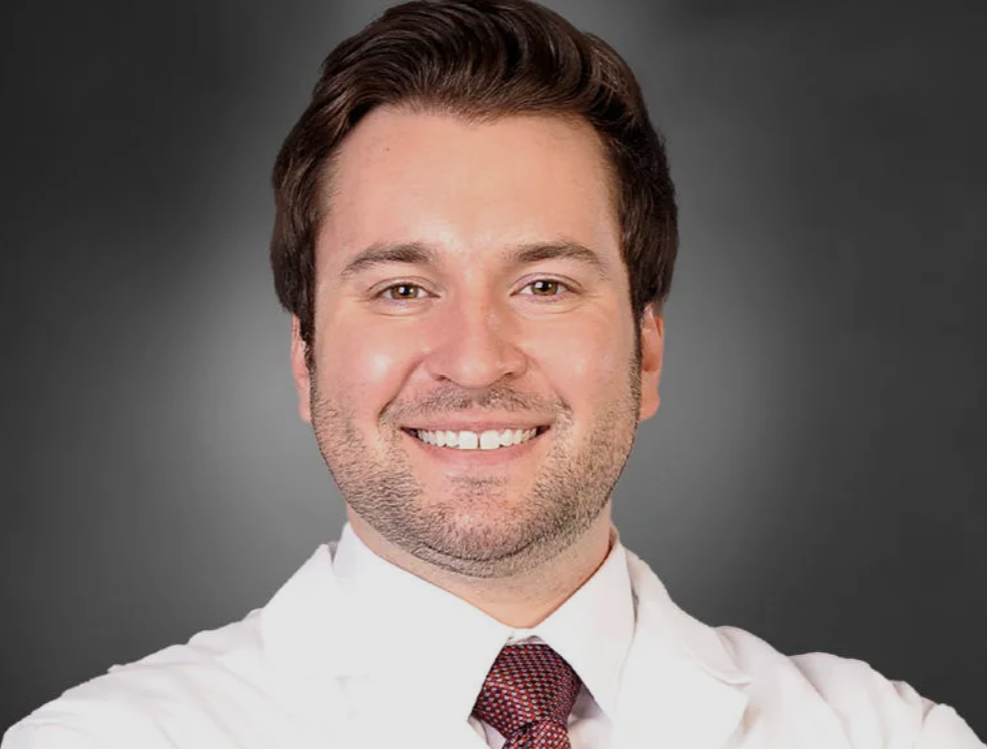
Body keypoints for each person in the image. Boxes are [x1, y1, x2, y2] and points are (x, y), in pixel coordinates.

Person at [3, 0, 982, 747]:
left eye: (545, 284)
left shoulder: (883, 734)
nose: (475, 358)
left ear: (646, 351)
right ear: (305, 359)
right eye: (400, 288)